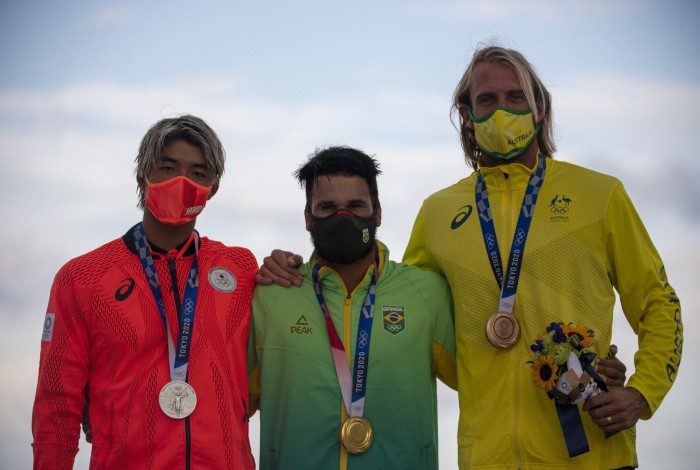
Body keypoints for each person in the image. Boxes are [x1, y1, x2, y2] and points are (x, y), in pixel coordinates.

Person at [257, 45, 680, 468]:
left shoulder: (600, 196)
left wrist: (642, 392)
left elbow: (659, 303)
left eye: (516, 97)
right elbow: (393, 308)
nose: (502, 110)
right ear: (466, 114)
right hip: (487, 458)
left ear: (540, 107)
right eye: (487, 99)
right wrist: (302, 273)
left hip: (591, 453)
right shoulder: (438, 213)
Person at [32, 115, 257, 469]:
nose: (182, 181)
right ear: (143, 175)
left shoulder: (241, 270)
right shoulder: (82, 278)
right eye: (168, 167)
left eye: (198, 173)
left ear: (213, 188)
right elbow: (56, 407)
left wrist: (289, 266)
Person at [249, 146, 457, 470]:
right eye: (327, 207)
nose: (342, 217)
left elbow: (481, 379)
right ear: (308, 218)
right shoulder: (272, 296)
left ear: (377, 213)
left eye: (355, 206)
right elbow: (230, 402)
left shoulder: (426, 294)